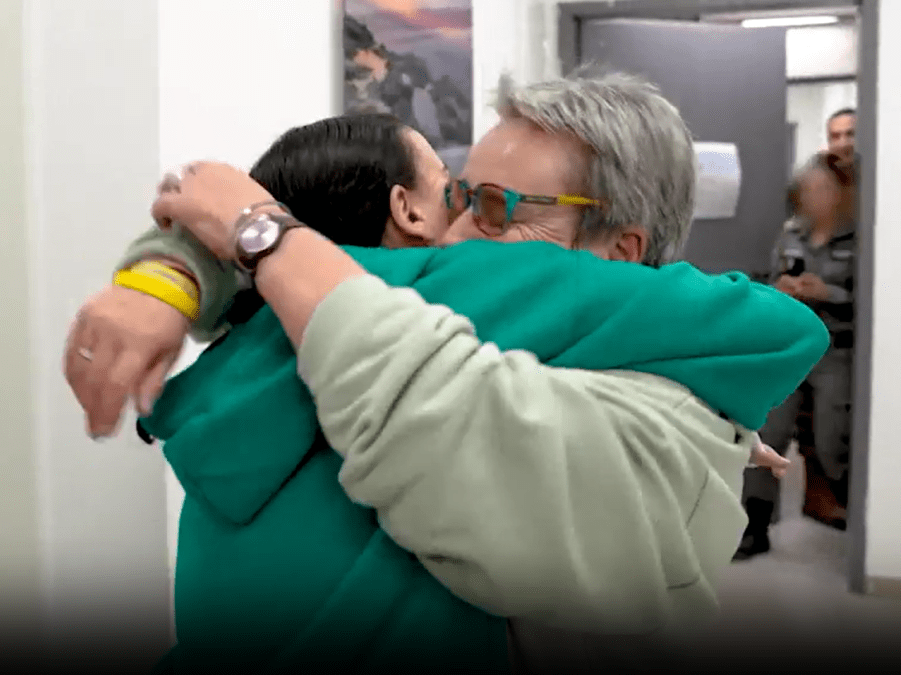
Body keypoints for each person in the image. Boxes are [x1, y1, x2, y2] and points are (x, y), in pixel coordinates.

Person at [65, 71, 821, 673]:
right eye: (456, 196)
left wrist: (185, 267)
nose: (454, 234)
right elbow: (439, 404)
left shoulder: (292, 343)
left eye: (493, 207)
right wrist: (233, 245)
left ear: (622, 251)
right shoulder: (391, 337)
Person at [734, 154, 856, 559]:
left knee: (830, 440)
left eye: (824, 189)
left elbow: (871, 300)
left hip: (836, 351)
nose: (815, 197)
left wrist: (830, 293)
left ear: (840, 194)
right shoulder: (790, 233)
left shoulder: (859, 239)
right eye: (809, 189)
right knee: (768, 435)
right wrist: (779, 289)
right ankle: (755, 524)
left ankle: (841, 503)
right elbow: (770, 282)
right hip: (789, 350)